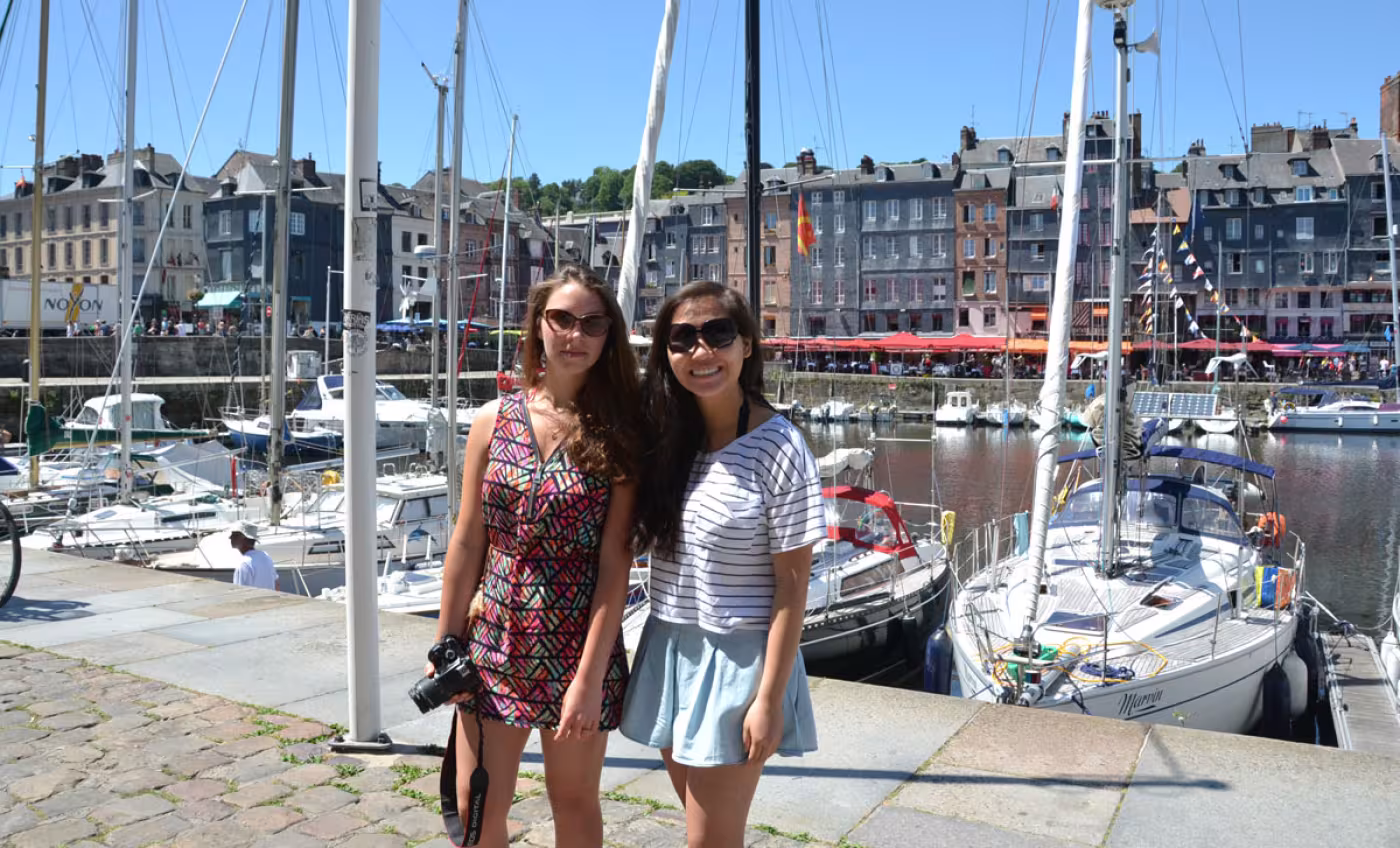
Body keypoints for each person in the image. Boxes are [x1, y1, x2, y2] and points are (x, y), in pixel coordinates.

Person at [428, 264, 640, 848]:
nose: (576, 334)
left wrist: (589, 679)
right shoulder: (492, 422)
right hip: (492, 637)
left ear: (608, 337)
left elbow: (614, 568)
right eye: (562, 319)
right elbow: (469, 539)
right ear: (538, 327)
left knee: (572, 804)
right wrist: (445, 643)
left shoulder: (618, 434)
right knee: (476, 802)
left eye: (592, 324)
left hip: (575, 645)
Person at [622, 281, 823, 847]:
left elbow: (792, 591)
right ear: (665, 352)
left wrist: (766, 699)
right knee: (701, 826)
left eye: (718, 333)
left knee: (708, 840)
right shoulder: (666, 439)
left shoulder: (779, 448)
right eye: (682, 338)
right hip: (671, 647)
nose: (701, 351)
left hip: (739, 657)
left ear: (747, 346)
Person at [228, 521, 278, 590]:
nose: (230, 537)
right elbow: (277, 584)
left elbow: (239, 594)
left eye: (234, 535)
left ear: (243, 539)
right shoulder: (266, 557)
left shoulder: (244, 564)